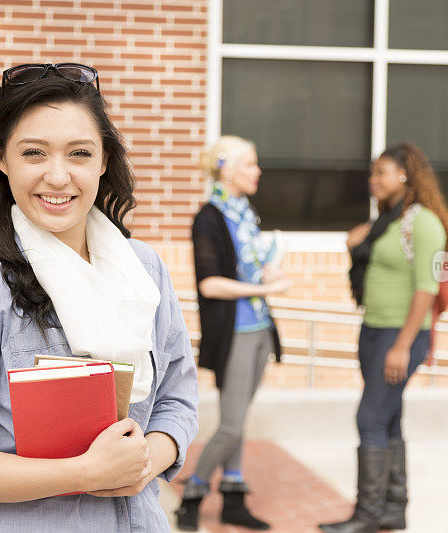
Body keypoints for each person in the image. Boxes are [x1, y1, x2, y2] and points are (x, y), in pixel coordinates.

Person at [0, 63, 198, 532]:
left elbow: (177, 398)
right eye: (35, 153)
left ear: (105, 161)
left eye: (79, 153)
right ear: (2, 159)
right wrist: (85, 473)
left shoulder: (144, 270)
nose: (58, 176)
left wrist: (143, 463)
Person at [320, 143, 448, 533]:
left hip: (401, 335)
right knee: (389, 418)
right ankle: (394, 509)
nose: (373, 179)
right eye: (372, 172)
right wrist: (355, 246)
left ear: (404, 175)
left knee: (370, 417)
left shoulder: (424, 222)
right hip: (373, 330)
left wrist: (402, 345)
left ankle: (367, 514)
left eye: (381, 172)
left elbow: (426, 289)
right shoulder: (386, 222)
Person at [175, 136, 291, 531]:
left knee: (239, 420)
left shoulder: (245, 213)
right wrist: (266, 289)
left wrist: (268, 272)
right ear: (226, 169)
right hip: (235, 334)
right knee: (231, 425)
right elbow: (210, 285)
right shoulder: (208, 217)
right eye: (250, 165)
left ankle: (234, 498)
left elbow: (247, 267)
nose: (258, 172)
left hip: (260, 330)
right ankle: (192, 493)